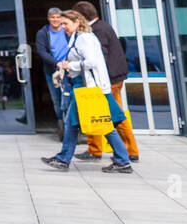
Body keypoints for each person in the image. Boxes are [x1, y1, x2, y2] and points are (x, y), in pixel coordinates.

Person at [41, 10, 132, 173]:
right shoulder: (80, 38)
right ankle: (121, 160)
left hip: (89, 89)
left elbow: (91, 62)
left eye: (65, 23)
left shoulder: (84, 39)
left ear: (77, 22)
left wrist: (70, 66)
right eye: (61, 24)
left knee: (98, 124)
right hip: (87, 87)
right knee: (84, 123)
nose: (63, 27)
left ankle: (121, 160)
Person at [71, 0, 139, 162]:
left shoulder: (96, 30)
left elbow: (99, 58)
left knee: (115, 116)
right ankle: (95, 149)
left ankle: (130, 150)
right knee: (96, 113)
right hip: (113, 76)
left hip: (109, 79)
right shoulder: (103, 26)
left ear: (82, 17)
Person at [34, 7, 70, 133]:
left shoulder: (67, 30)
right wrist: (57, 63)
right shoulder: (43, 33)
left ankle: (72, 124)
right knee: (57, 98)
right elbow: (41, 51)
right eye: (53, 17)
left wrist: (68, 62)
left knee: (69, 97)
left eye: (58, 17)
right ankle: (62, 122)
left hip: (69, 70)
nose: (55, 20)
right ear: (48, 19)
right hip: (52, 71)